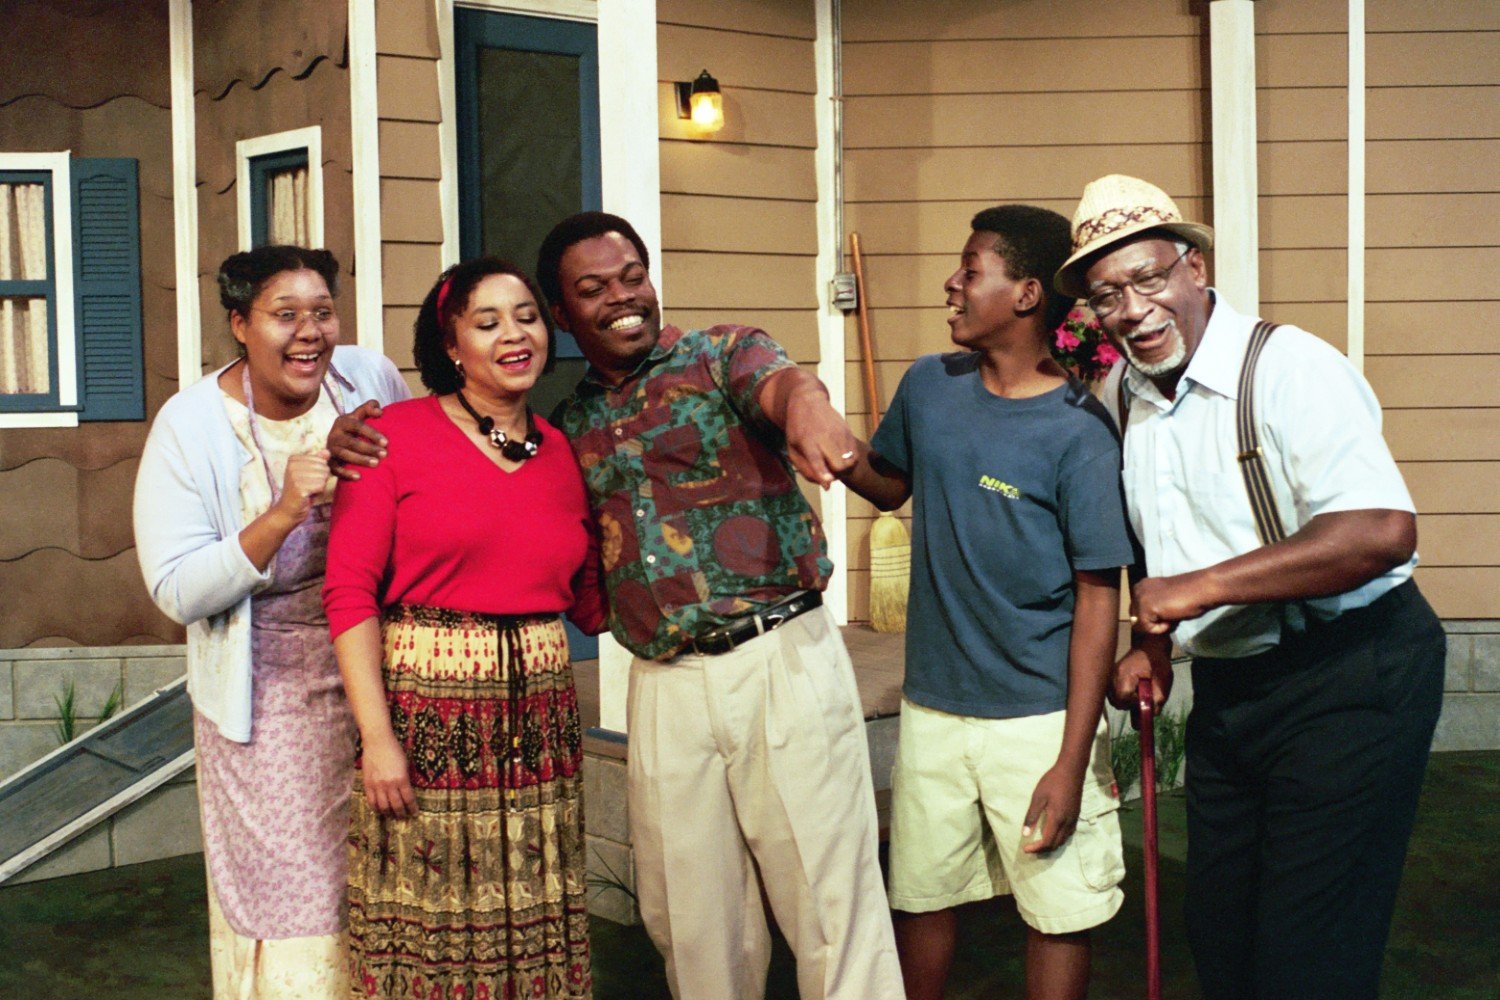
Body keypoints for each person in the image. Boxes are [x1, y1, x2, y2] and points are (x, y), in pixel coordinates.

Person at [330, 213, 903, 999]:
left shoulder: (719, 355)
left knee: (831, 901)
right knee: (693, 918)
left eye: (632, 275)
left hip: (778, 657)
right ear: (567, 316)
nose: (622, 297)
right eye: (592, 289)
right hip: (662, 681)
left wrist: (809, 404)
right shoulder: (567, 430)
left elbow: (783, 383)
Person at [1055, 174, 1445, 999]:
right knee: (1222, 929)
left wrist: (1194, 592)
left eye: (1149, 278)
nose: (1131, 309)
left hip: (1352, 669)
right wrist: (1149, 645)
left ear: (1194, 266)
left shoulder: (1290, 367)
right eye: (1106, 295)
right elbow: (1157, 537)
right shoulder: (1123, 393)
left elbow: (1381, 530)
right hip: (1235, 686)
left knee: (1311, 945)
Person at [835, 205, 1132, 999]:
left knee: (1057, 913)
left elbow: (1099, 598)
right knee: (923, 899)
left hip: (1037, 720)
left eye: (971, 270)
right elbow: (891, 481)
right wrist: (835, 451)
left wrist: (1072, 761)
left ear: (1028, 292)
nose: (953, 284)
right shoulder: (931, 386)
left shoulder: (1078, 432)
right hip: (932, 708)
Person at [133, 245, 410, 998]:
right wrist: (285, 510)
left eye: (321, 312)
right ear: (239, 325)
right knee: (300, 899)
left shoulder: (369, 380)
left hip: (373, 668)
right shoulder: (191, 427)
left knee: (381, 887)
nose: (309, 333)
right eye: (284, 316)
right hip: (268, 696)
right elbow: (176, 588)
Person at [322, 258, 603, 999]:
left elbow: (589, 600)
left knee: (537, 911)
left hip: (540, 718)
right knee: (432, 919)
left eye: (527, 317)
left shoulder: (561, 450)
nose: (515, 335)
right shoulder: (391, 437)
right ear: (451, 345)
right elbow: (349, 593)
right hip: (429, 715)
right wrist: (378, 738)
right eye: (488, 323)